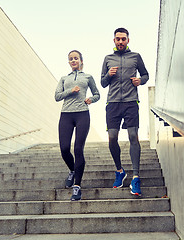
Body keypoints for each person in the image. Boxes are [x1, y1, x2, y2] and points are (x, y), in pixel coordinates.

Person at [101, 27, 149, 196]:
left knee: (133, 136)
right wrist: (108, 74)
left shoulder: (135, 57)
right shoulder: (108, 59)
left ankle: (136, 177)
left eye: (123, 39)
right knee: (112, 138)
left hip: (130, 102)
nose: (120, 41)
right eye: (117, 39)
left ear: (128, 40)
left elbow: (145, 75)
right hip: (113, 103)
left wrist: (139, 81)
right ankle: (120, 171)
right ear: (114, 41)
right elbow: (103, 83)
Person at [55, 50, 100, 201]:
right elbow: (57, 96)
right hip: (66, 115)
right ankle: (73, 170)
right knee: (64, 149)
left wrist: (91, 100)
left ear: (81, 60)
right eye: (70, 59)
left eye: (76, 58)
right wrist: (70, 90)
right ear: (68, 62)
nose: (73, 60)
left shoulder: (87, 77)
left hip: (82, 114)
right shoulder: (63, 78)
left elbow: (97, 94)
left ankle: (77, 187)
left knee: (78, 148)